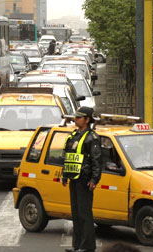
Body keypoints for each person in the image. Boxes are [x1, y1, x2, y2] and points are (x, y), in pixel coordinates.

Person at [62, 106, 103, 252]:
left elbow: (97, 161)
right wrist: (64, 174)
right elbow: (67, 157)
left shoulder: (92, 138)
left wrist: (94, 179)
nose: (75, 119)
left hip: (85, 180)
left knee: (85, 214)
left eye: (78, 117)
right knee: (76, 213)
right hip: (74, 178)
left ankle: (87, 247)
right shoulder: (74, 135)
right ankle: (77, 245)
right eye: (75, 117)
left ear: (87, 120)